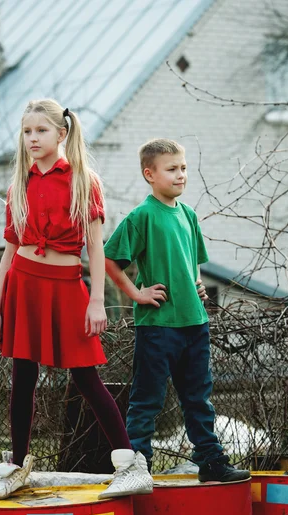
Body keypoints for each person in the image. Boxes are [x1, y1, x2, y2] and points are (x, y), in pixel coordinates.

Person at [0, 99, 153, 500]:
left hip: (65, 285)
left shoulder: (83, 180)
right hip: (22, 285)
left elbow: (96, 249)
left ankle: (130, 464)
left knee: (85, 376)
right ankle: (17, 466)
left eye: (40, 131)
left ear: (62, 134)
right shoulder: (18, 184)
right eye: (26, 132)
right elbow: (9, 251)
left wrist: (97, 300)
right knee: (21, 377)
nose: (32, 139)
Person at [104, 139, 250, 483]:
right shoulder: (142, 217)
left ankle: (211, 462)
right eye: (172, 169)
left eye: (183, 168)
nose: (180, 175)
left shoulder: (188, 214)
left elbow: (192, 262)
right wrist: (137, 293)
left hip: (194, 323)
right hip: (158, 326)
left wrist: (197, 284)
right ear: (150, 174)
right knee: (147, 401)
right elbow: (111, 261)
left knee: (199, 400)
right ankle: (136, 469)